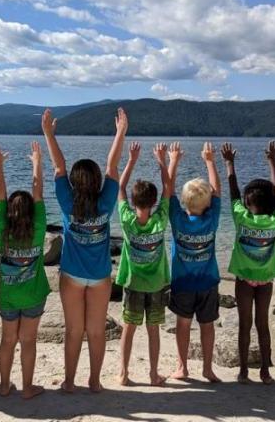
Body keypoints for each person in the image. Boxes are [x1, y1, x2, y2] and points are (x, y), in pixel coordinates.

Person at [41, 107, 127, 393]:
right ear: (97, 182)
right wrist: (120, 133)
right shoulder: (106, 203)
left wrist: (48, 135)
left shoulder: (67, 202)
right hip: (100, 275)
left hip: (73, 275)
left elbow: (58, 167)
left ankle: (69, 381)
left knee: (74, 331)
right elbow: (113, 167)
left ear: (75, 183)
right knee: (96, 331)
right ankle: (94, 381)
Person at [0, 141, 51, 400]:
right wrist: (37, 161)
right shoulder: (38, 230)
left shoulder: (2, 229)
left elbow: (0, 194)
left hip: (9, 298)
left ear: (10, 213)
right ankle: (27, 388)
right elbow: (37, 192)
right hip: (34, 295)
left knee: (7, 341)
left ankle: (4, 386)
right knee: (28, 342)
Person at [221, 141, 275, 385]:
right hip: (265, 280)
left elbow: (233, 191)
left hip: (244, 281)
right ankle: (265, 372)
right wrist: (272, 162)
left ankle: (244, 371)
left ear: (247, 203)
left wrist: (229, 163)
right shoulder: (274, 219)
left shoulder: (241, 218)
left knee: (245, 325)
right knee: (263, 325)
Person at [116, 142, 171, 387]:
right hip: (157, 284)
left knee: (129, 328)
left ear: (133, 201)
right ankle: (153, 374)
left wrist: (131, 160)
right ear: (154, 201)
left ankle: (123, 373)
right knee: (153, 330)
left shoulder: (128, 220)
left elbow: (119, 187)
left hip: (134, 284)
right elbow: (169, 188)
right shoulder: (159, 221)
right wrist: (162, 160)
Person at [166, 142, 223, 383]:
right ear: (208, 203)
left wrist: (173, 161)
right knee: (207, 326)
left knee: (183, 325)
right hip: (207, 282)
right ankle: (207, 368)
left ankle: (182, 367)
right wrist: (209, 160)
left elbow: (168, 191)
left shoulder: (178, 219)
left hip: (183, 283)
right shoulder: (212, 219)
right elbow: (218, 191)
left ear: (185, 202)